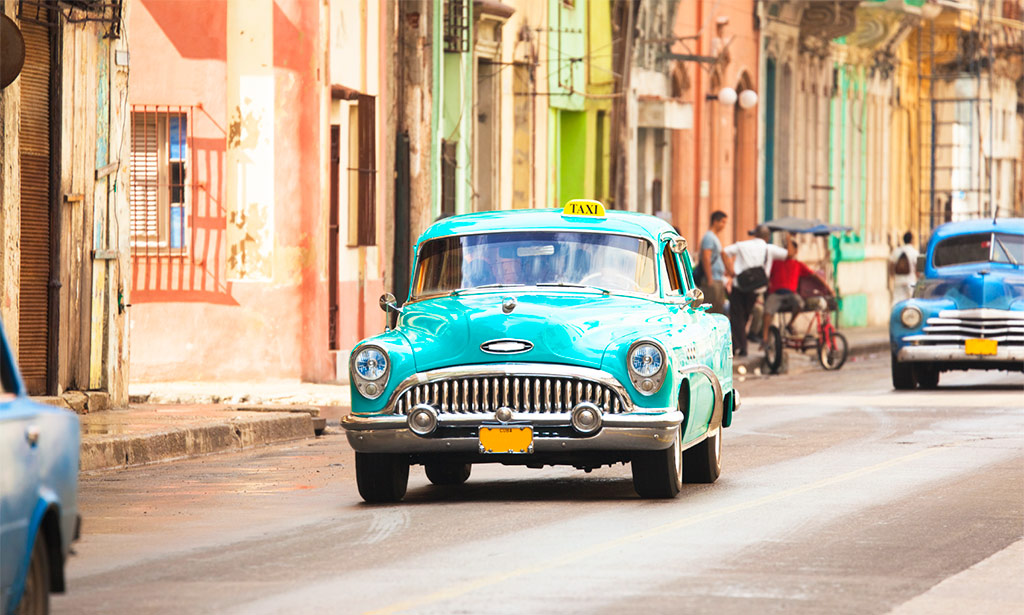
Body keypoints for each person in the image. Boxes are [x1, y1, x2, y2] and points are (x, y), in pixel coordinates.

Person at [723, 225, 788, 357]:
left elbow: (724, 252)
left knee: (737, 316)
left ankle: (740, 345)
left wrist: (730, 271)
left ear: (755, 234)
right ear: (767, 237)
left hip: (739, 285)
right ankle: (740, 345)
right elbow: (789, 254)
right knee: (746, 316)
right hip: (755, 288)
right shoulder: (769, 249)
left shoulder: (742, 245)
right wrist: (789, 236)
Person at [761, 236, 829, 347]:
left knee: (800, 303)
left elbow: (814, 276)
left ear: (796, 251)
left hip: (791, 294)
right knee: (768, 310)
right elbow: (766, 276)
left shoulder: (798, 265)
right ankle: (764, 337)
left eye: (791, 249)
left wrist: (828, 289)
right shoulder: (775, 262)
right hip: (776, 293)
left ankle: (790, 324)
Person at [697, 211, 729, 314]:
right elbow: (706, 257)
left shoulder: (715, 237)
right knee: (710, 308)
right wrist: (709, 279)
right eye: (723, 222)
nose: (724, 225)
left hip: (718, 279)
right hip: (712, 279)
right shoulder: (709, 237)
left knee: (718, 308)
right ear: (715, 221)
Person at [889, 231, 919, 304]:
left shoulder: (896, 251)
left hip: (898, 280)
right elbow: (917, 269)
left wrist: (893, 276)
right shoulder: (914, 252)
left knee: (896, 301)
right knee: (910, 301)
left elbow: (891, 267)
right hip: (910, 280)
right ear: (911, 240)